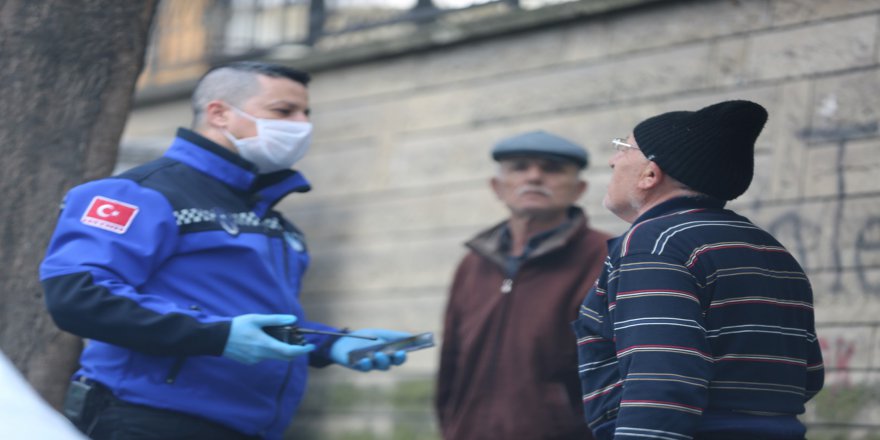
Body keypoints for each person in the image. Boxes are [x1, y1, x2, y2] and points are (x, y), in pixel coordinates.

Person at [39, 61, 410, 440]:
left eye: (305, 113)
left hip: (247, 427)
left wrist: (332, 343)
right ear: (219, 114)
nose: (301, 125)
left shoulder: (272, 220)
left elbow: (248, 320)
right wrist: (218, 336)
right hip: (147, 420)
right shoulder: (137, 194)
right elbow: (79, 296)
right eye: (283, 111)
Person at [573, 100, 825, 440]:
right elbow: (808, 374)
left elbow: (662, 376)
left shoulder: (654, 242)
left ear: (650, 174)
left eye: (623, 148)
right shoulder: (770, 249)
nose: (612, 160)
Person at [435, 130, 610, 440]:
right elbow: (451, 359)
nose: (534, 177)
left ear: (580, 188)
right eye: (519, 167)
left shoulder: (605, 256)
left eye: (552, 169)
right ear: (497, 187)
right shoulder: (474, 263)